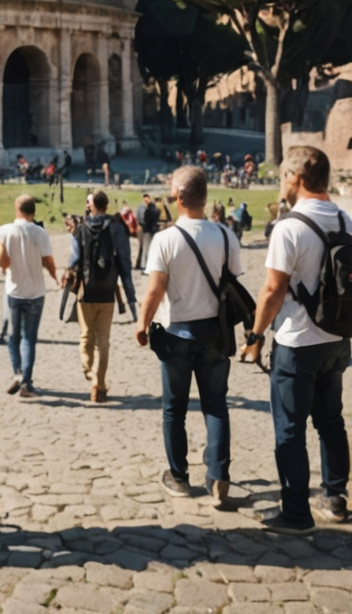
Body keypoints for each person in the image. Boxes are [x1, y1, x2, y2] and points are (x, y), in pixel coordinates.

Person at [241, 145, 352, 534]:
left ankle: (296, 513)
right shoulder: (345, 219)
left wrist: (255, 336)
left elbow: (272, 290)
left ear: (298, 178)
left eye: (284, 176)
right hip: (336, 337)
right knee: (331, 421)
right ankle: (335, 497)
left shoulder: (290, 227)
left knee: (289, 428)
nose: (281, 183)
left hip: (297, 340)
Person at [134, 165, 241, 507]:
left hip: (177, 331)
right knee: (216, 406)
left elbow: (155, 290)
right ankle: (218, 475)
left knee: (174, 410)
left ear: (179, 198)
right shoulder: (226, 236)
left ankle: (179, 476)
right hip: (215, 332)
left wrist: (141, 323)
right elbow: (234, 283)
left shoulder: (165, 239)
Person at [64, 189, 135, 403]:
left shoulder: (80, 229)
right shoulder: (116, 227)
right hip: (107, 290)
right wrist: (131, 300)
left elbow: (73, 260)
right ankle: (100, 385)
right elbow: (125, 263)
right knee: (103, 342)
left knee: (86, 336)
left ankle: (89, 371)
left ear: (93, 205)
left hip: (86, 291)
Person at [0, 195, 56, 398]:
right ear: (33, 211)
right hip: (36, 292)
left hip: (14, 291)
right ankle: (26, 382)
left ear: (16, 209)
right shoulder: (40, 233)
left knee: (13, 337)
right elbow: (48, 260)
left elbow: (2, 264)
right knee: (29, 338)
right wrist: (56, 276)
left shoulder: (3, 231)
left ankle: (18, 373)